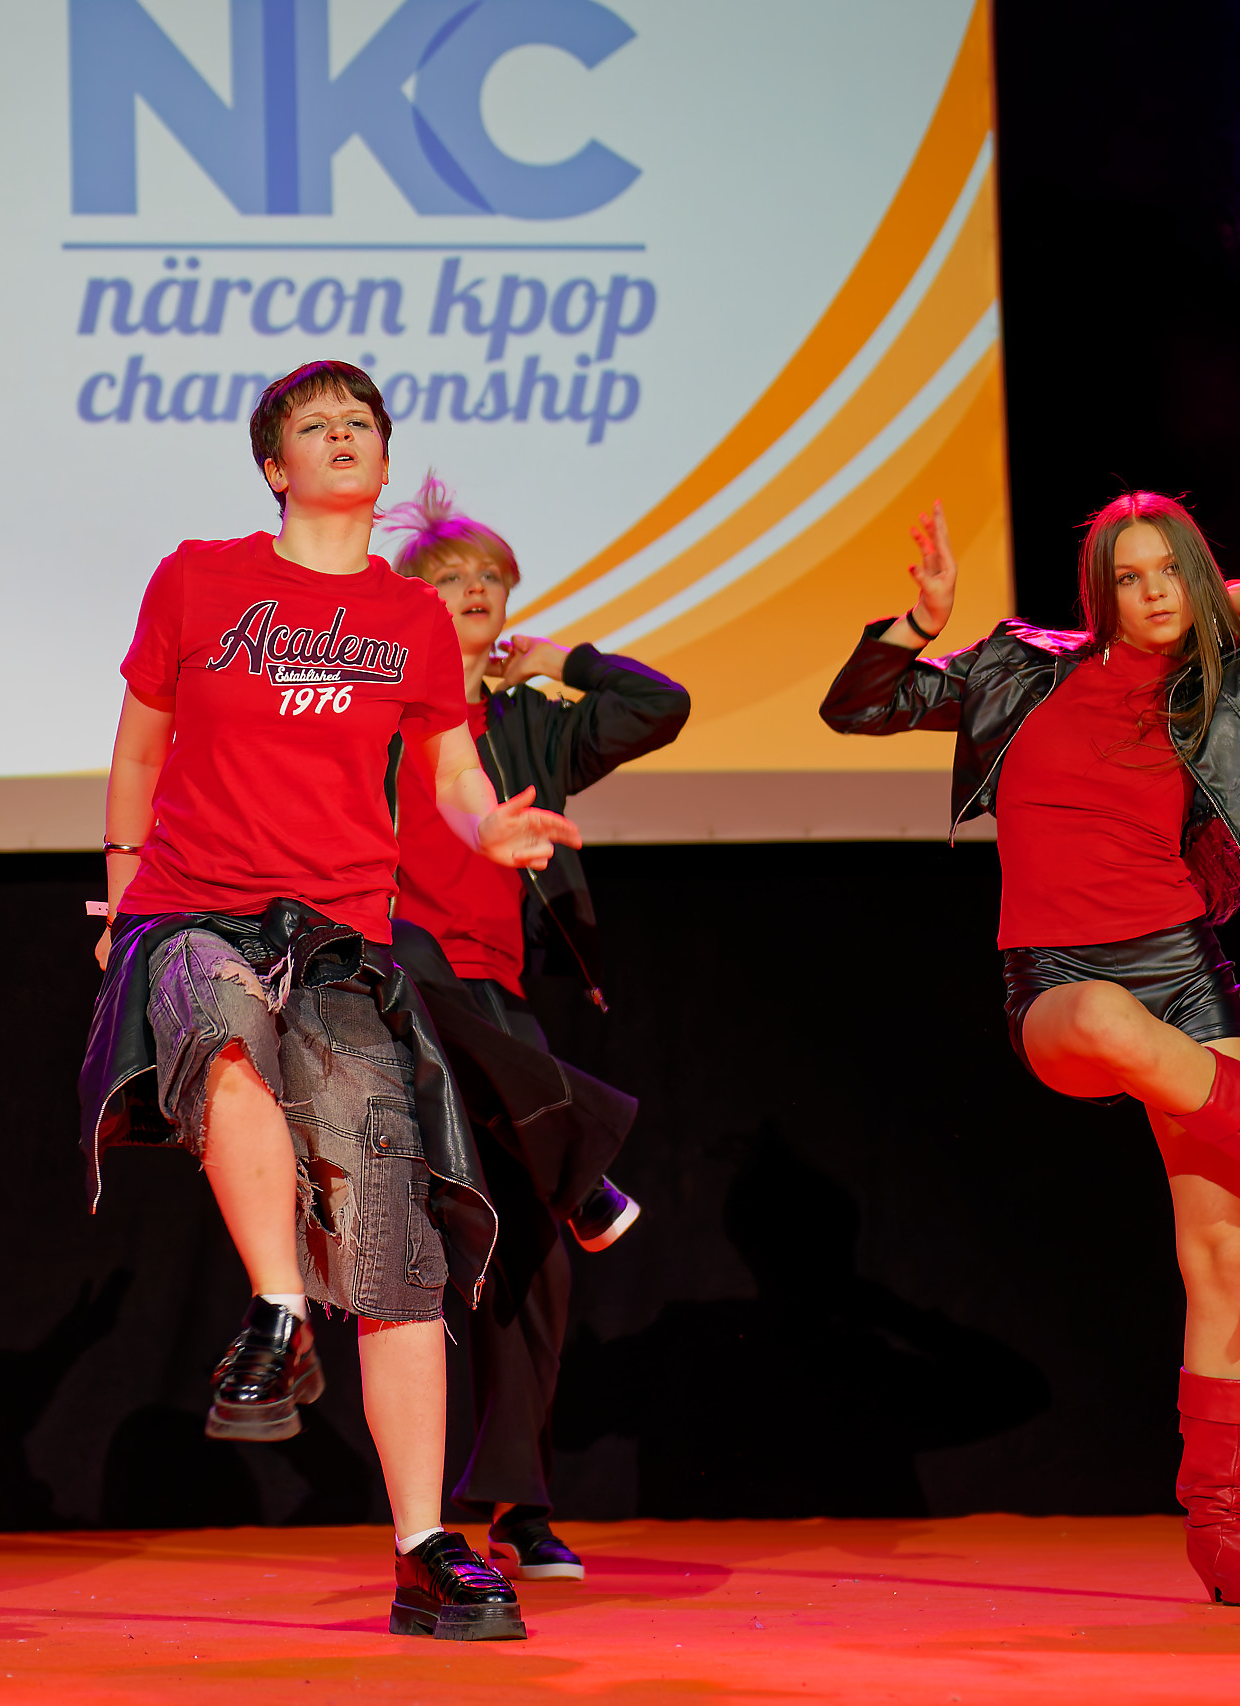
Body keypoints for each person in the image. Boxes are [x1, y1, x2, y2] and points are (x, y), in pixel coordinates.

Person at [818, 493, 1240, 1609]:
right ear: (1099, 593)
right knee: (1101, 1023)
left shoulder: (1226, 688)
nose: (1154, 591)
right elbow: (860, 706)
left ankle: (1218, 1524)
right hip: (1056, 982)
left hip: (1183, 968)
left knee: (1222, 1255)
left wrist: (1221, 596)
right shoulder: (1021, 673)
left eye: (1169, 569)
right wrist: (920, 620)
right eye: (1129, 576)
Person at [78, 362, 579, 1642]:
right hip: (192, 904)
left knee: (393, 1235)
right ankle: (278, 1305)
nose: (343, 435)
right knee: (223, 1039)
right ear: (274, 465)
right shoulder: (198, 578)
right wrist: (123, 891)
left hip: (343, 932)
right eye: (316, 424)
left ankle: (423, 1548)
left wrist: (491, 826)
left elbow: (451, 769)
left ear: (382, 459)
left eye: (360, 422)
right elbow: (138, 744)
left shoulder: (411, 614)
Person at [379, 471, 690, 1581]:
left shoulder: (526, 728)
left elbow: (661, 706)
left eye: (490, 578)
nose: (474, 590)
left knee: (531, 1256)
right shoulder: (375, 714)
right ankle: (582, 1164)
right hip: (389, 976)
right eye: (449, 577)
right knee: (409, 968)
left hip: (494, 1002)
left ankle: (518, 1502)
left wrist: (568, 662)